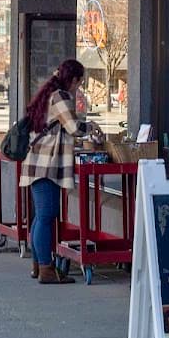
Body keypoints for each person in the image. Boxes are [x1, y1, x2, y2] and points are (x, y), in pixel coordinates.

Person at [19, 58, 104, 284]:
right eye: (79, 81)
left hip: (38, 162)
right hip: (46, 165)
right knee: (46, 215)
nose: (79, 86)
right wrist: (92, 127)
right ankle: (46, 268)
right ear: (73, 79)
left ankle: (39, 265)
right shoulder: (61, 96)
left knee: (41, 216)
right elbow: (73, 127)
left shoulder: (50, 93)